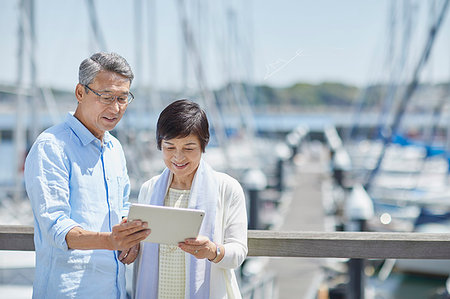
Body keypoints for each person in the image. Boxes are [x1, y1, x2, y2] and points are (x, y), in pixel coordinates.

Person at [24, 52, 151, 298]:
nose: (115, 108)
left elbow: (122, 208)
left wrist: (131, 239)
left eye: (123, 98)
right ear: (80, 93)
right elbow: (55, 228)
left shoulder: (115, 149)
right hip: (68, 291)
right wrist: (111, 241)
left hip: (114, 290)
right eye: (106, 97)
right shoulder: (51, 146)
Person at [133, 99, 248, 298]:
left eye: (188, 148)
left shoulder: (227, 188)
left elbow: (238, 252)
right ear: (160, 145)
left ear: (204, 145)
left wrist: (213, 251)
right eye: (169, 148)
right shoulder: (148, 189)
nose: (178, 157)